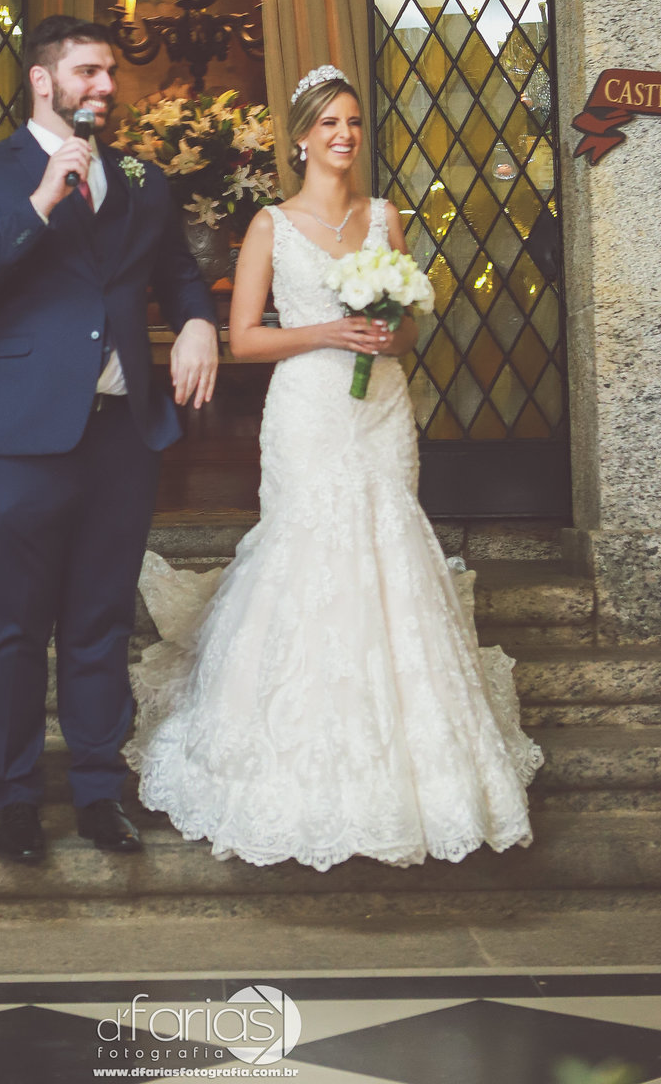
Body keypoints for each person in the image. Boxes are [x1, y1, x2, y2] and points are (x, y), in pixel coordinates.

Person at [129, 64, 542, 871]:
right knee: (315, 549)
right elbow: (244, 338)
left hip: (383, 408)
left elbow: (409, 324)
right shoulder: (270, 227)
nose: (344, 136)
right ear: (301, 138)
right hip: (311, 410)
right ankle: (300, 759)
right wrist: (327, 334)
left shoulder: (384, 217)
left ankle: (419, 768)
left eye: (352, 122)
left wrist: (390, 335)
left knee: (390, 543)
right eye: (328, 124)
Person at [0, 16, 218, 864]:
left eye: (108, 75)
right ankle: (15, 799)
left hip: (121, 434)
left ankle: (99, 792)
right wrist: (40, 201)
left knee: (99, 620)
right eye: (88, 72)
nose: (104, 86)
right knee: (15, 623)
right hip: (20, 434)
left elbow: (178, 274)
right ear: (42, 81)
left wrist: (199, 320)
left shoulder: (143, 178)